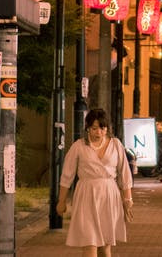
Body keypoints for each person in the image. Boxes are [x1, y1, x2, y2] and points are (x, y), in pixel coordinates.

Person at [57, 108, 134, 256]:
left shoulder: (116, 144)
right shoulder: (79, 146)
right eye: (94, 128)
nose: (99, 132)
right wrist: (61, 201)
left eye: (102, 128)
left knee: (105, 247)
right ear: (87, 128)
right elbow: (67, 176)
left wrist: (128, 199)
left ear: (107, 128)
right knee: (89, 242)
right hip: (86, 195)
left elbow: (124, 174)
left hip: (109, 195)